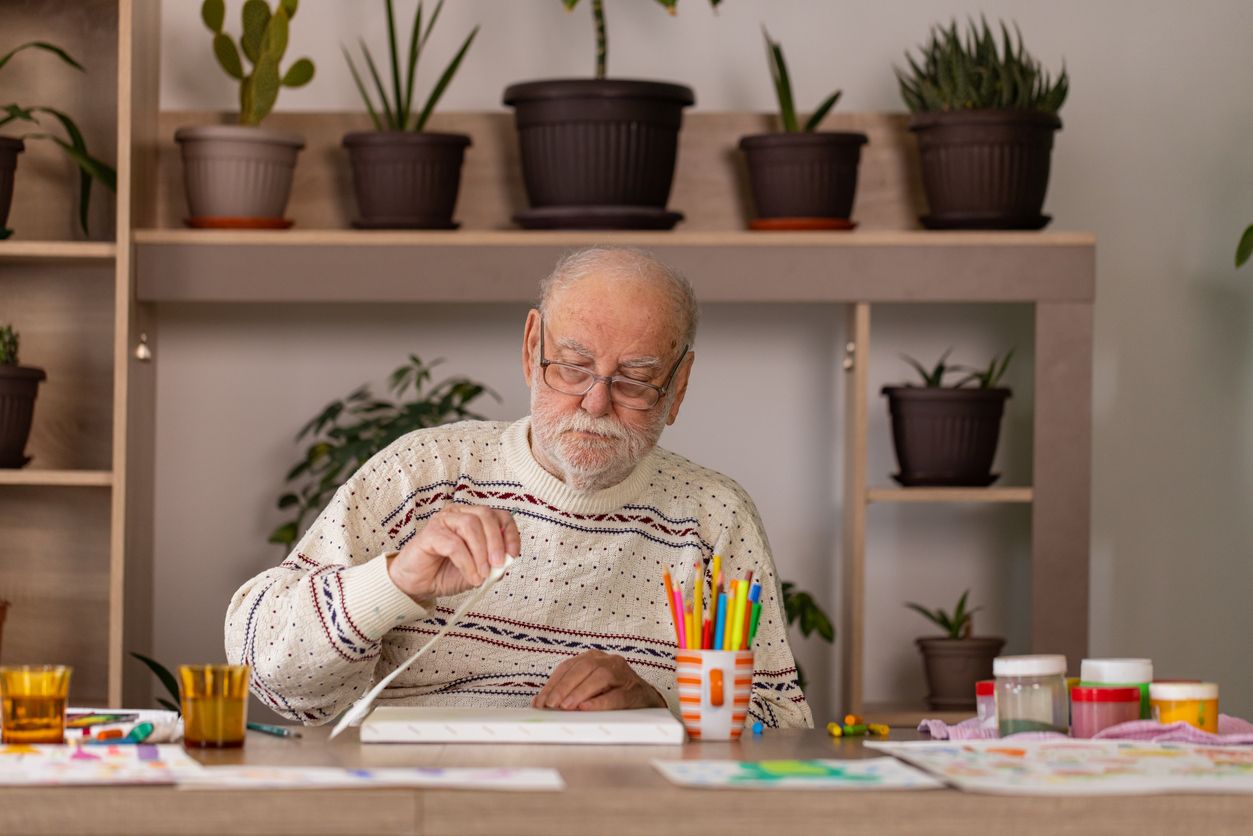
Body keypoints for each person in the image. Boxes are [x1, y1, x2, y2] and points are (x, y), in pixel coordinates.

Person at [225, 246, 813, 729]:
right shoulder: (422, 471)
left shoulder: (713, 518)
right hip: (424, 798)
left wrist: (656, 706)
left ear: (679, 385)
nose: (596, 402)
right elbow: (264, 670)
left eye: (635, 379)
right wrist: (395, 580)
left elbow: (781, 726)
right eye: (573, 366)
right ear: (532, 349)